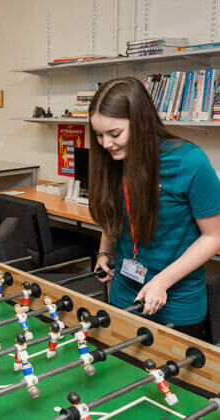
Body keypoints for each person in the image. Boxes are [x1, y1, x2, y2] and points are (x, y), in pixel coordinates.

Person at [89, 77, 220, 341]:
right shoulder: (113, 159)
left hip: (176, 303)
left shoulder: (190, 161)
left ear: (143, 123)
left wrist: (161, 281)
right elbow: (115, 214)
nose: (105, 143)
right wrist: (104, 253)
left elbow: (213, 236)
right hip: (125, 295)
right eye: (99, 135)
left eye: (114, 134)